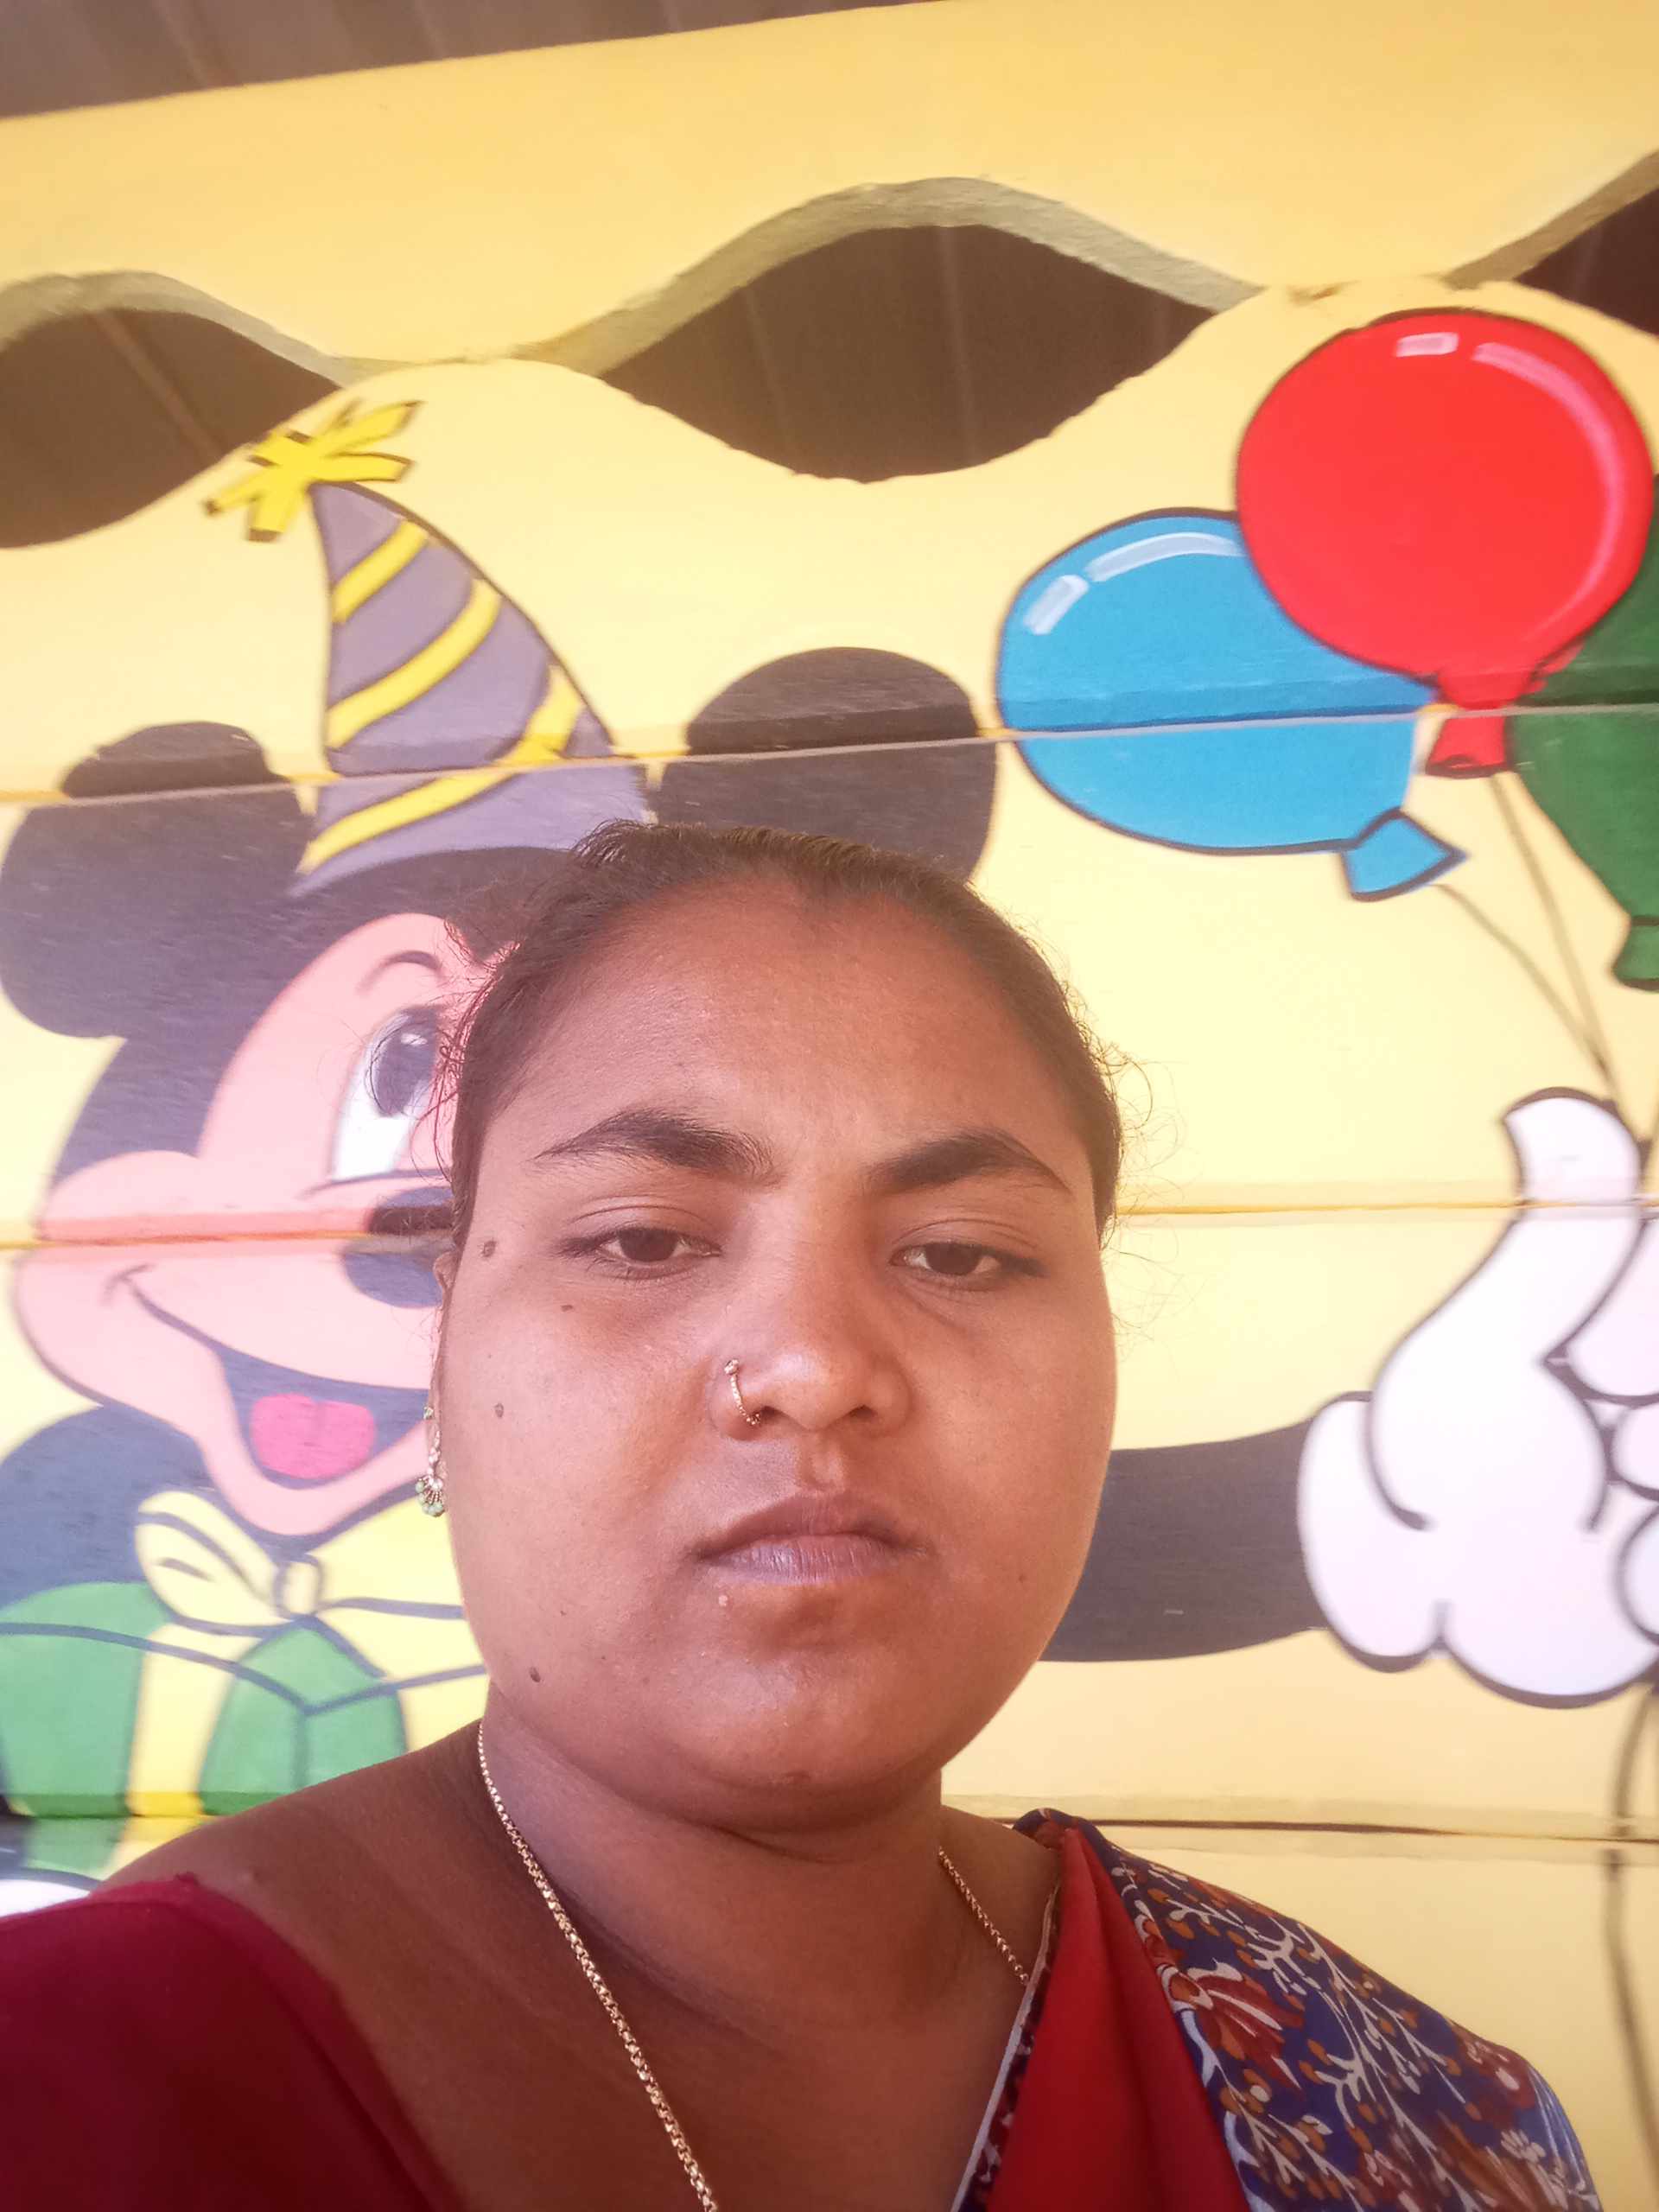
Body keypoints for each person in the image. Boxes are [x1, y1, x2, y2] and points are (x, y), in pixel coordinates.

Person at [0, 823, 1599, 2209]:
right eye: (642, 1239)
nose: (818, 1367)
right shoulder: (75, 2085)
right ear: (445, 1358)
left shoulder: (1396, 2105)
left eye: (963, 1254)